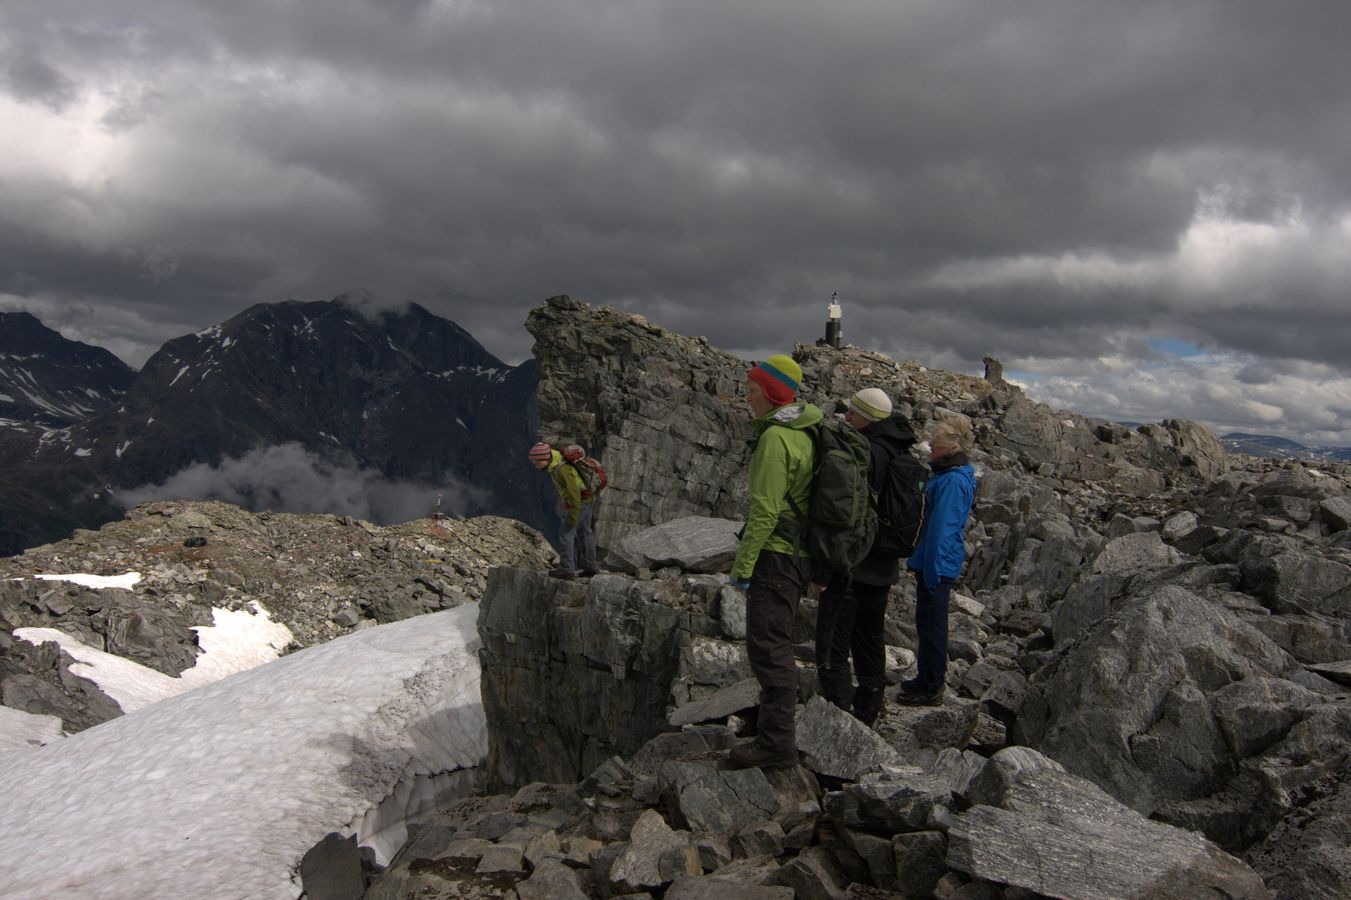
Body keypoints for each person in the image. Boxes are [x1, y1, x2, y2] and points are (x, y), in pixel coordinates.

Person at [725, 354, 822, 769]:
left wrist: (743, 569)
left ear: (770, 392)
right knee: (776, 645)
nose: (746, 397)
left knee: (769, 648)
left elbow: (764, 511)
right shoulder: (808, 428)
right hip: (799, 557)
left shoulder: (775, 439)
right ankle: (773, 731)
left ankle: (776, 746)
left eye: (751, 390)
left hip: (776, 557)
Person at [815, 387, 920, 725]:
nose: (848, 417)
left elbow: (844, 512)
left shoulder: (864, 453)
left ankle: (839, 717)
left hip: (852, 563)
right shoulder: (901, 452)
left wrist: (825, 563)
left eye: (854, 413)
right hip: (885, 565)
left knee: (833, 640)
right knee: (870, 637)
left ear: (868, 418)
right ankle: (868, 708)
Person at [900, 414, 977, 706]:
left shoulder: (952, 481)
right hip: (934, 562)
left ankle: (932, 686)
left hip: (937, 565)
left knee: (932, 626)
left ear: (953, 446)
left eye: (938, 441)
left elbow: (942, 530)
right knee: (927, 624)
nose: (931, 444)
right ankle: (925, 678)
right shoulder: (947, 475)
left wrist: (930, 570)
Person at [529, 441, 599, 579]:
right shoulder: (558, 462)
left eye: (537, 463)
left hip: (580, 502)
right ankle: (591, 567)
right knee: (585, 532)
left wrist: (573, 514)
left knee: (565, 533)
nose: (536, 466)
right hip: (587, 498)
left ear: (545, 458)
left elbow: (574, 492)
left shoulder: (562, 469)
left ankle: (567, 569)